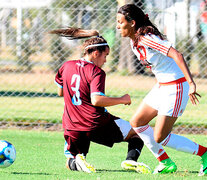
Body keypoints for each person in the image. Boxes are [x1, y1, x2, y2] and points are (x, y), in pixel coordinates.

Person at [116, 4, 207, 176]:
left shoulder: (146, 38)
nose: (117, 26)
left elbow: (177, 55)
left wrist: (191, 83)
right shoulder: (134, 41)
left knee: (161, 137)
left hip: (177, 87)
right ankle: (165, 162)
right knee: (137, 123)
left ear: (132, 23)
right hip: (162, 86)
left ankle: (205, 154)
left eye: (120, 22)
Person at [51, 28, 150, 174]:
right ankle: (131, 160)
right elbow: (96, 100)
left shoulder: (66, 66)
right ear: (96, 53)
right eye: (105, 55)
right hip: (95, 122)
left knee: (71, 160)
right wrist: (122, 99)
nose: (105, 60)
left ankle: (77, 161)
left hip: (72, 125)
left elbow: (61, 92)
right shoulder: (96, 71)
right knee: (137, 132)